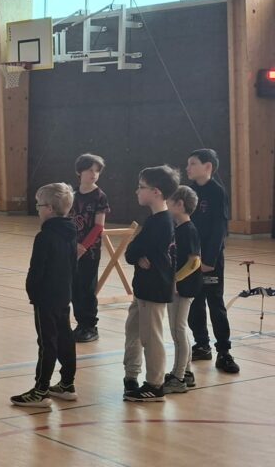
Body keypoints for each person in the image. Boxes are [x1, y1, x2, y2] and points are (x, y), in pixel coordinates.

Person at [10, 183, 78, 407]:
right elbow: (73, 265)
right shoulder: (71, 233)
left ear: (49, 208)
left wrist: (33, 292)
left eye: (39, 205)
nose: (37, 209)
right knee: (65, 338)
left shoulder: (45, 236)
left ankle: (40, 390)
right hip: (64, 294)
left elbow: (36, 270)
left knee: (47, 342)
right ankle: (67, 384)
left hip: (46, 297)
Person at [123, 165, 180, 403]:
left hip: (153, 289)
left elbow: (136, 252)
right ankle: (131, 375)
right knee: (134, 331)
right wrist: (139, 256)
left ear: (156, 192)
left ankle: (155, 385)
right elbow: (132, 253)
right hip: (143, 288)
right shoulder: (154, 220)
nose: (137, 191)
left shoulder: (162, 222)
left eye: (141, 187)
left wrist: (139, 255)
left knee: (151, 337)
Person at [186, 149, 239, 373]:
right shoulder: (187, 192)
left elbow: (219, 228)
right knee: (194, 303)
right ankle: (201, 344)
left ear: (208, 167)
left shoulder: (217, 192)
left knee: (215, 304)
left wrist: (209, 259)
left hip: (210, 259)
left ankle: (224, 352)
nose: (188, 168)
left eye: (193, 163)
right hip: (190, 258)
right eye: (188, 164)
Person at [163, 186, 202, 394]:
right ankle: (185, 372)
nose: (166, 205)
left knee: (177, 331)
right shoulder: (178, 228)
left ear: (179, 204)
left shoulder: (189, 230)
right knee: (180, 329)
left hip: (184, 288)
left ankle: (178, 378)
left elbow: (194, 262)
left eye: (169, 201)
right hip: (178, 286)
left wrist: (175, 280)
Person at [68, 154, 111, 343]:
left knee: (87, 288)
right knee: (74, 288)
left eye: (97, 171)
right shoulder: (72, 195)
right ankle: (80, 324)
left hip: (90, 252)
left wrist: (83, 246)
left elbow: (99, 226)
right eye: (90, 170)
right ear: (80, 171)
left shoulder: (100, 196)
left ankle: (90, 326)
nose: (94, 174)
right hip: (71, 249)